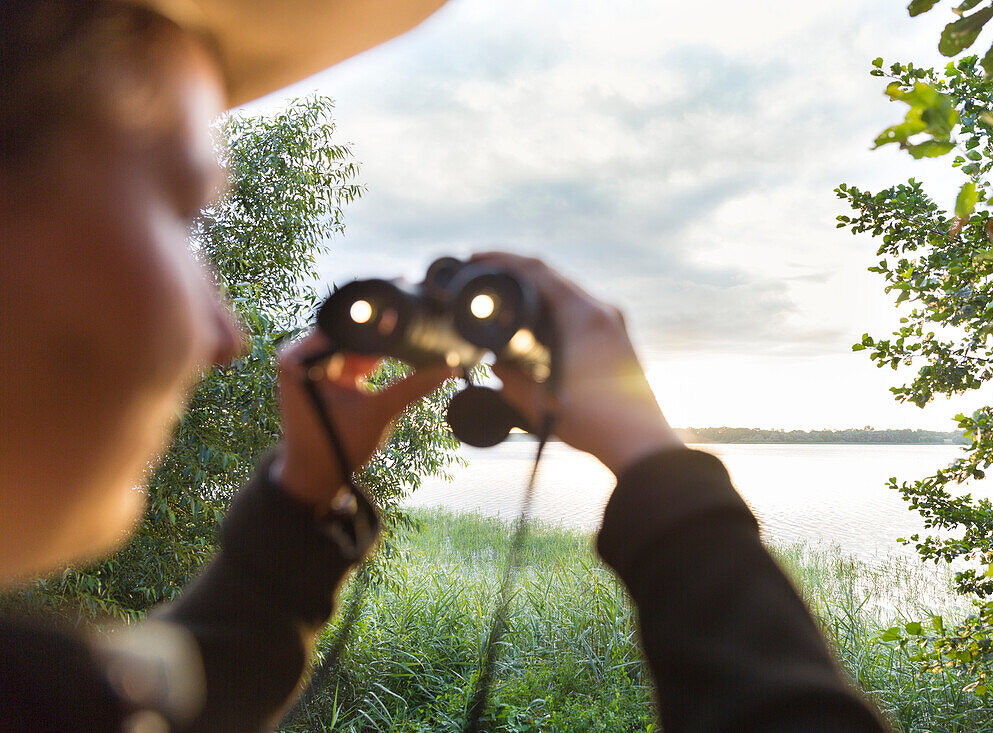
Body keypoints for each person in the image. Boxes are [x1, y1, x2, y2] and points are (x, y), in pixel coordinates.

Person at [0, 1, 889, 731]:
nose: (222, 332)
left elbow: (181, 690)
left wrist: (308, 491)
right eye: (185, 209)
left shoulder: (43, 692)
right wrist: (657, 464)